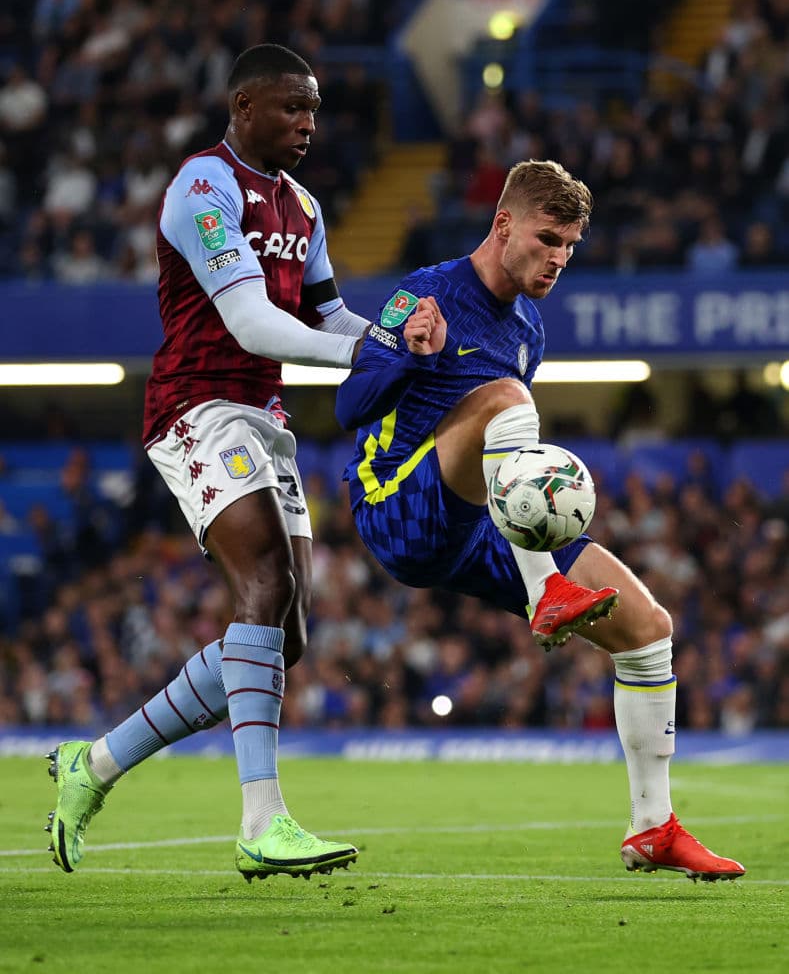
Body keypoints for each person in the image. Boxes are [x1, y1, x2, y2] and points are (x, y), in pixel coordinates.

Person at [335, 159, 745, 881]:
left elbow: (506, 458)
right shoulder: (425, 294)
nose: (558, 258)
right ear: (503, 225)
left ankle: (652, 827)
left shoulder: (528, 328)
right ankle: (545, 587)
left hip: (476, 524)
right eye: (548, 238)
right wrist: (406, 354)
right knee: (501, 398)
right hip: (395, 506)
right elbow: (348, 407)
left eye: (570, 246)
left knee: (647, 630)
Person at [45, 44, 368, 881]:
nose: (306, 124)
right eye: (292, 107)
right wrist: (375, 363)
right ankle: (263, 821)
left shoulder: (302, 204)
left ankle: (98, 764)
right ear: (243, 104)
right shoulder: (202, 187)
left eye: (314, 110)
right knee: (262, 579)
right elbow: (255, 326)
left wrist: (394, 343)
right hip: (196, 404)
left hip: (262, 416)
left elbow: (328, 315)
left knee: (285, 633)